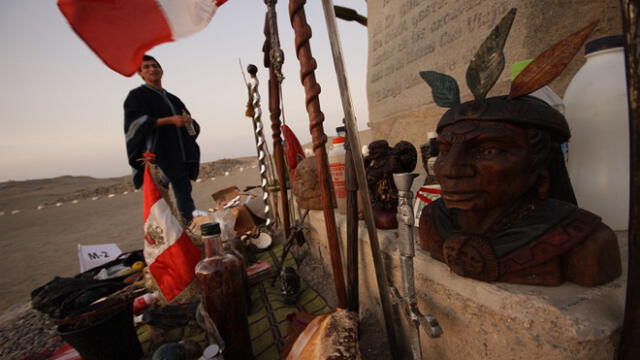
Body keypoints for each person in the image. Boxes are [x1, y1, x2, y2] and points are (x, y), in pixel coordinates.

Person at [418, 96, 622, 287]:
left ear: (539, 161)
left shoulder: (586, 243)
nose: (450, 169)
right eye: (445, 151)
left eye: (489, 150)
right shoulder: (434, 221)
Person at [124, 55, 200, 224]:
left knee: (186, 204)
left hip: (179, 158)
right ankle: (170, 246)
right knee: (160, 206)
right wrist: (169, 121)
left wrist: (189, 122)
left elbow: (190, 124)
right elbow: (135, 124)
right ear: (140, 73)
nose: (152, 69)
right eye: (146, 67)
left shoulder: (173, 99)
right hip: (156, 161)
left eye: (155, 65)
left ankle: (192, 238)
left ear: (161, 70)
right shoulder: (137, 96)